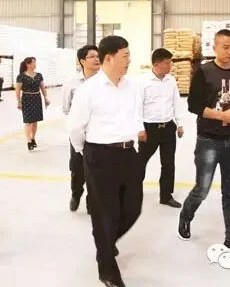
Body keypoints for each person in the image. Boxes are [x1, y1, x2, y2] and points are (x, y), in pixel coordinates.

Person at [68, 35, 146, 287]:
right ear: (109, 58)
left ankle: (106, 242)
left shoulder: (132, 87)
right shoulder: (88, 90)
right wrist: (85, 152)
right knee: (104, 214)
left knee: (133, 207)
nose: (129, 60)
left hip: (128, 153)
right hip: (99, 155)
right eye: (125, 56)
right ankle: (107, 270)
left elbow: (135, 116)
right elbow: (75, 127)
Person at [177, 29, 230, 259]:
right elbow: (193, 106)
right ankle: (186, 215)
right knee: (202, 189)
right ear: (214, 47)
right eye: (225, 47)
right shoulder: (204, 71)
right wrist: (223, 116)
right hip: (208, 140)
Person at [138, 48, 185, 208]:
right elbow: (137, 107)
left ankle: (166, 196)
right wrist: (139, 128)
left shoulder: (170, 80)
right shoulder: (143, 82)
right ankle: (133, 192)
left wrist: (179, 124)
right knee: (140, 162)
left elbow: (176, 102)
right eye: (167, 63)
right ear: (157, 64)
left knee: (168, 164)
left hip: (168, 127)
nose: (170, 66)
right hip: (149, 128)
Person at [62, 44, 100, 214]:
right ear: (82, 61)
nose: (96, 59)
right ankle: (76, 194)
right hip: (78, 133)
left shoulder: (104, 82)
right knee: (77, 168)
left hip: (99, 134)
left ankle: (92, 202)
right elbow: (66, 109)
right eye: (92, 56)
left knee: (96, 170)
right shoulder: (71, 83)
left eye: (98, 56)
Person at [15, 57, 50, 151]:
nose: (35, 64)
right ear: (28, 64)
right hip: (26, 99)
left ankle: (33, 138)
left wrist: (45, 98)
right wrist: (18, 101)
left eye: (35, 62)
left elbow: (42, 87)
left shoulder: (39, 75)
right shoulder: (21, 76)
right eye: (33, 62)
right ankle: (28, 141)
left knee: (35, 121)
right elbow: (17, 90)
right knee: (28, 121)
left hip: (37, 98)